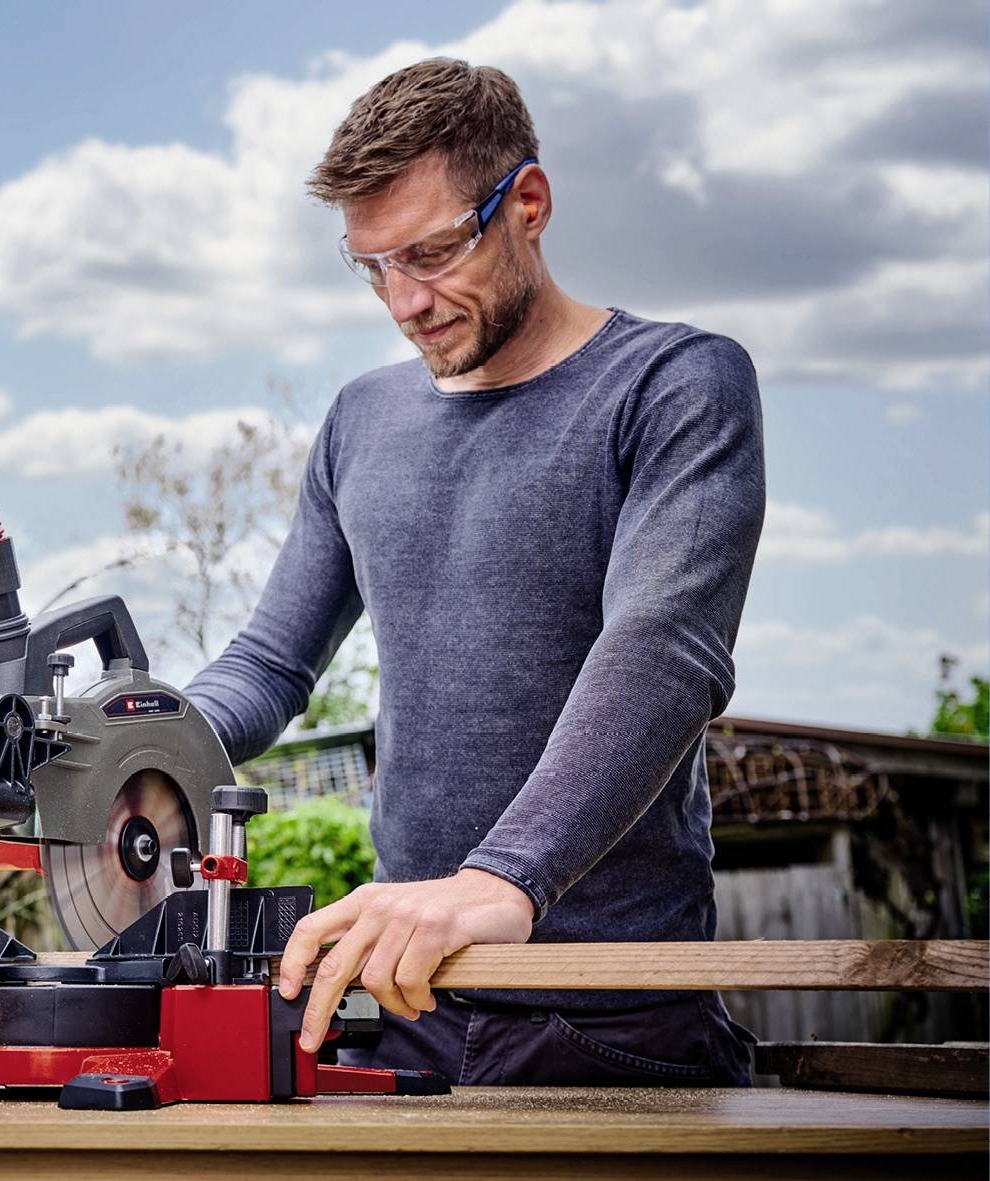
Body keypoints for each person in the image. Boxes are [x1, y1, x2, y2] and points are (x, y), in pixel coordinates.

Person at [183, 57, 765, 1086]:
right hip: (402, 998)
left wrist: (502, 877)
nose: (404, 300)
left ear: (527, 203)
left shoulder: (672, 383)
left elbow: (663, 649)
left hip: (606, 1013)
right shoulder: (361, 419)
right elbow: (269, 662)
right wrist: (125, 742)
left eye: (432, 250)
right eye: (372, 265)